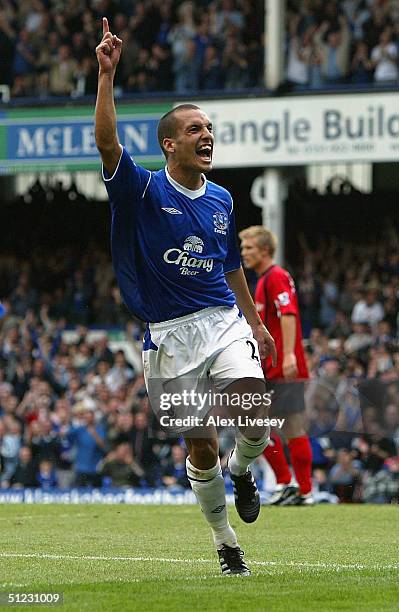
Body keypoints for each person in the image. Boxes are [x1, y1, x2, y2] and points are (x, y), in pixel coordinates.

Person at [95, 17, 276, 577]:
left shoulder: (222, 198)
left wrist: (255, 322)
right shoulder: (144, 188)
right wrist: (107, 75)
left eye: (210, 127)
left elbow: (229, 267)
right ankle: (226, 544)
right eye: (195, 128)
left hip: (222, 321)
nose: (207, 135)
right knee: (199, 448)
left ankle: (243, 470)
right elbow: (107, 141)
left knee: (256, 409)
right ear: (170, 142)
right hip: (168, 337)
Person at [240, 226, 313, 505]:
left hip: (283, 367)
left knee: (290, 425)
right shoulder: (262, 281)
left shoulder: (276, 277)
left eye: (248, 248)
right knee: (255, 424)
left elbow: (289, 315)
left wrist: (290, 355)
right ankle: (289, 485)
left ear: (265, 250)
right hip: (270, 366)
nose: (244, 253)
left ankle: (302, 490)